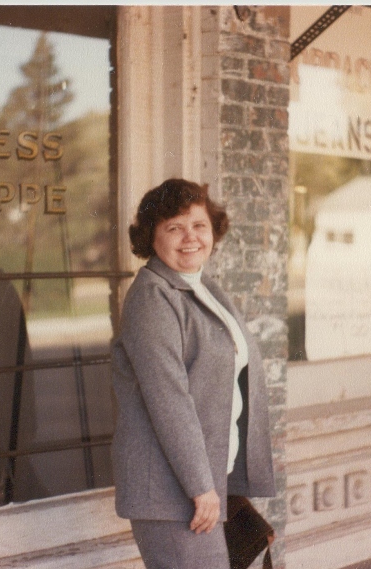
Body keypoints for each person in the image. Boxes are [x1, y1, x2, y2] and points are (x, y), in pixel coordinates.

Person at [111, 178, 275, 568]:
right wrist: (202, 488)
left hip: (203, 481)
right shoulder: (153, 297)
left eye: (199, 225)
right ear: (151, 237)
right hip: (174, 492)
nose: (190, 237)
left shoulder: (204, 288)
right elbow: (170, 402)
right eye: (174, 227)